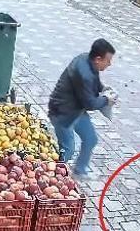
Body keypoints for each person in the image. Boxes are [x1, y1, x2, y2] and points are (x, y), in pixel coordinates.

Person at [47, 39, 117, 177]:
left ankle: (79, 170)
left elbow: (95, 82)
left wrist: (103, 89)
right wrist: (106, 99)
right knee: (68, 148)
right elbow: (90, 103)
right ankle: (52, 176)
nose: (110, 64)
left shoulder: (88, 60)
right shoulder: (84, 74)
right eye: (108, 60)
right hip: (62, 112)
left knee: (90, 138)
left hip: (76, 110)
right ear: (98, 59)